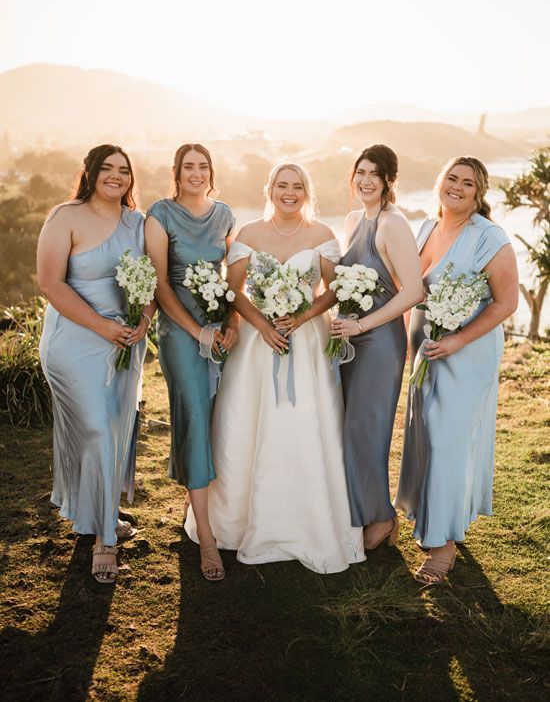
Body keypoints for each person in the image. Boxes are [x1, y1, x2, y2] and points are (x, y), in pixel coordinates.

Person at [185, 162, 365, 574]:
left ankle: (310, 520)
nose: (290, 192)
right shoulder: (249, 234)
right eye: (282, 185)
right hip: (256, 340)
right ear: (270, 189)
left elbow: (333, 289)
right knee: (245, 422)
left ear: (307, 191)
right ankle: (236, 523)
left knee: (305, 423)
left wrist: (301, 318)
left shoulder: (322, 234)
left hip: (306, 342)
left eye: (297, 186)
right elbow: (234, 290)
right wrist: (263, 324)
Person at [395, 156, 518, 585]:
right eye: (452, 178)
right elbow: (411, 288)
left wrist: (457, 340)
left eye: (468, 183)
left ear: (478, 193)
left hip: (467, 353)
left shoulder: (490, 238)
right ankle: (435, 517)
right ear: (440, 182)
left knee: (447, 438)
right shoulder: (427, 227)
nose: (458, 187)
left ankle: (443, 545)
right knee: (426, 431)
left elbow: (506, 303)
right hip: (426, 346)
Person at [37, 144, 153, 584]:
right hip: (73, 342)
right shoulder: (64, 217)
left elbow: (151, 280)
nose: (116, 176)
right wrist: (102, 327)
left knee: (116, 427)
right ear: (90, 172)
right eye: (107, 168)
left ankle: (100, 510)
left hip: (125, 343)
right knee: (98, 428)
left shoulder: (138, 223)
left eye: (124, 170)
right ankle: (105, 538)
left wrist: (142, 319)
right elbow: (50, 283)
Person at [145, 143, 237, 581]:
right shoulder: (159, 214)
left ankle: (193, 502)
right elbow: (160, 283)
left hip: (217, 325)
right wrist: (195, 330)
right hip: (180, 330)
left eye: (203, 167)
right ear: (177, 173)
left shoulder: (225, 215)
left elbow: (233, 277)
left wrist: (231, 322)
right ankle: (206, 535)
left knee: (216, 412)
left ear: (210, 172)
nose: (196, 174)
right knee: (195, 412)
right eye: (188, 167)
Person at [330, 145, 423, 550]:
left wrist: (363, 323)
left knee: (364, 428)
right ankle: (357, 512)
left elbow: (414, 291)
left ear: (389, 181)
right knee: (346, 426)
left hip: (380, 341)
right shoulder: (353, 219)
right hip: (349, 339)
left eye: (375, 174)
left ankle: (381, 518)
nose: (366, 181)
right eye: (360, 172)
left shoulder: (392, 224)